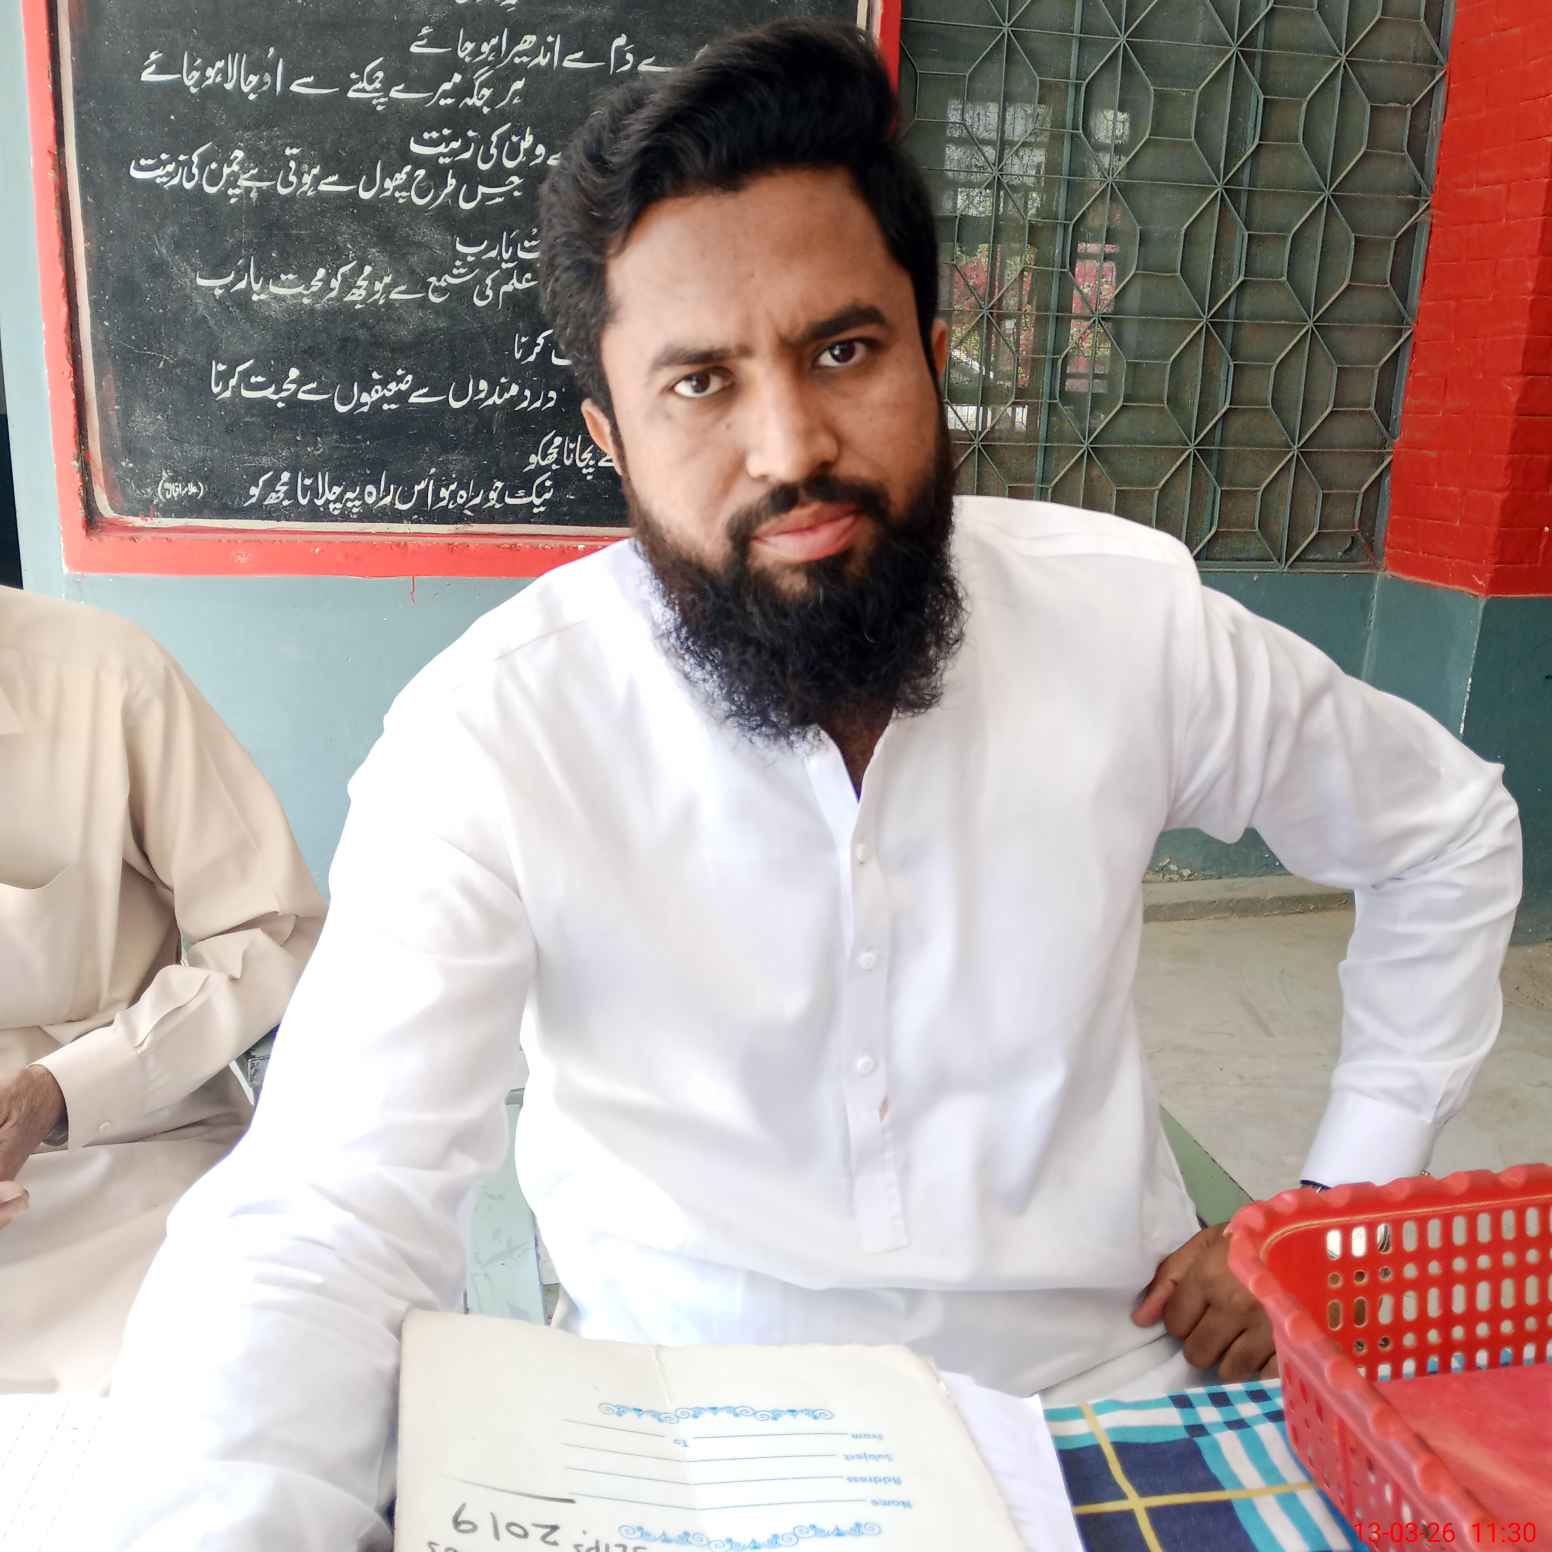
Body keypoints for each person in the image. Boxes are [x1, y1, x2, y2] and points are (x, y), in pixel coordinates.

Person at [100, 19, 1519, 1548]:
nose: (791, 450)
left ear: (932, 357)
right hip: (683, 1449)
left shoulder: (1129, 624)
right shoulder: (495, 735)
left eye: (844, 351)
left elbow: (1443, 833)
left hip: (1108, 1398)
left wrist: (1336, 1214)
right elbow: (327, 1209)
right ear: (614, 442)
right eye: (700, 383)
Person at [0, 585, 324, 1392]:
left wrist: (59, 1091)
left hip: (124, 1169)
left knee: (200, 1401)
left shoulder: (107, 677)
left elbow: (272, 933)